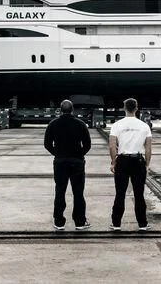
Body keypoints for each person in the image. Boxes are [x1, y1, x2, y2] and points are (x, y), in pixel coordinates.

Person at [44, 99, 92, 231]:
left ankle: (59, 222)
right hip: (77, 162)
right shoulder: (80, 124)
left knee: (60, 191)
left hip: (60, 162)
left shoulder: (53, 124)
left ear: (60, 110)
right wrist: (79, 155)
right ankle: (80, 222)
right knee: (78, 192)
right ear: (72, 110)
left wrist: (57, 154)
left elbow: (47, 144)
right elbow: (87, 144)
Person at [108, 98, 153, 231]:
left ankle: (116, 224)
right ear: (136, 108)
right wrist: (147, 164)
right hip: (138, 161)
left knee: (120, 193)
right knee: (139, 194)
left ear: (124, 108)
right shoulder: (144, 126)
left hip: (122, 161)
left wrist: (113, 162)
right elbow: (148, 148)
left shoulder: (117, 125)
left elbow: (111, 146)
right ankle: (142, 224)